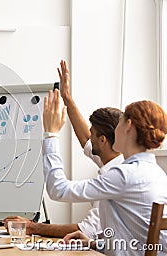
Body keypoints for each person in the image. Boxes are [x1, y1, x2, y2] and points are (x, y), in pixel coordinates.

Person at [4, 60, 124, 238]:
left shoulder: (114, 178)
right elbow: (86, 140)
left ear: (103, 140)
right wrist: (67, 98)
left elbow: (86, 229)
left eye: (93, 133)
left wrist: (31, 227)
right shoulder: (117, 159)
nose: (88, 138)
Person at [43, 89, 167, 255]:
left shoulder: (124, 175)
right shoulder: (157, 173)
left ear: (128, 126)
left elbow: (58, 190)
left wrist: (51, 134)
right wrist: (95, 244)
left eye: (120, 122)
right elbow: (134, 242)